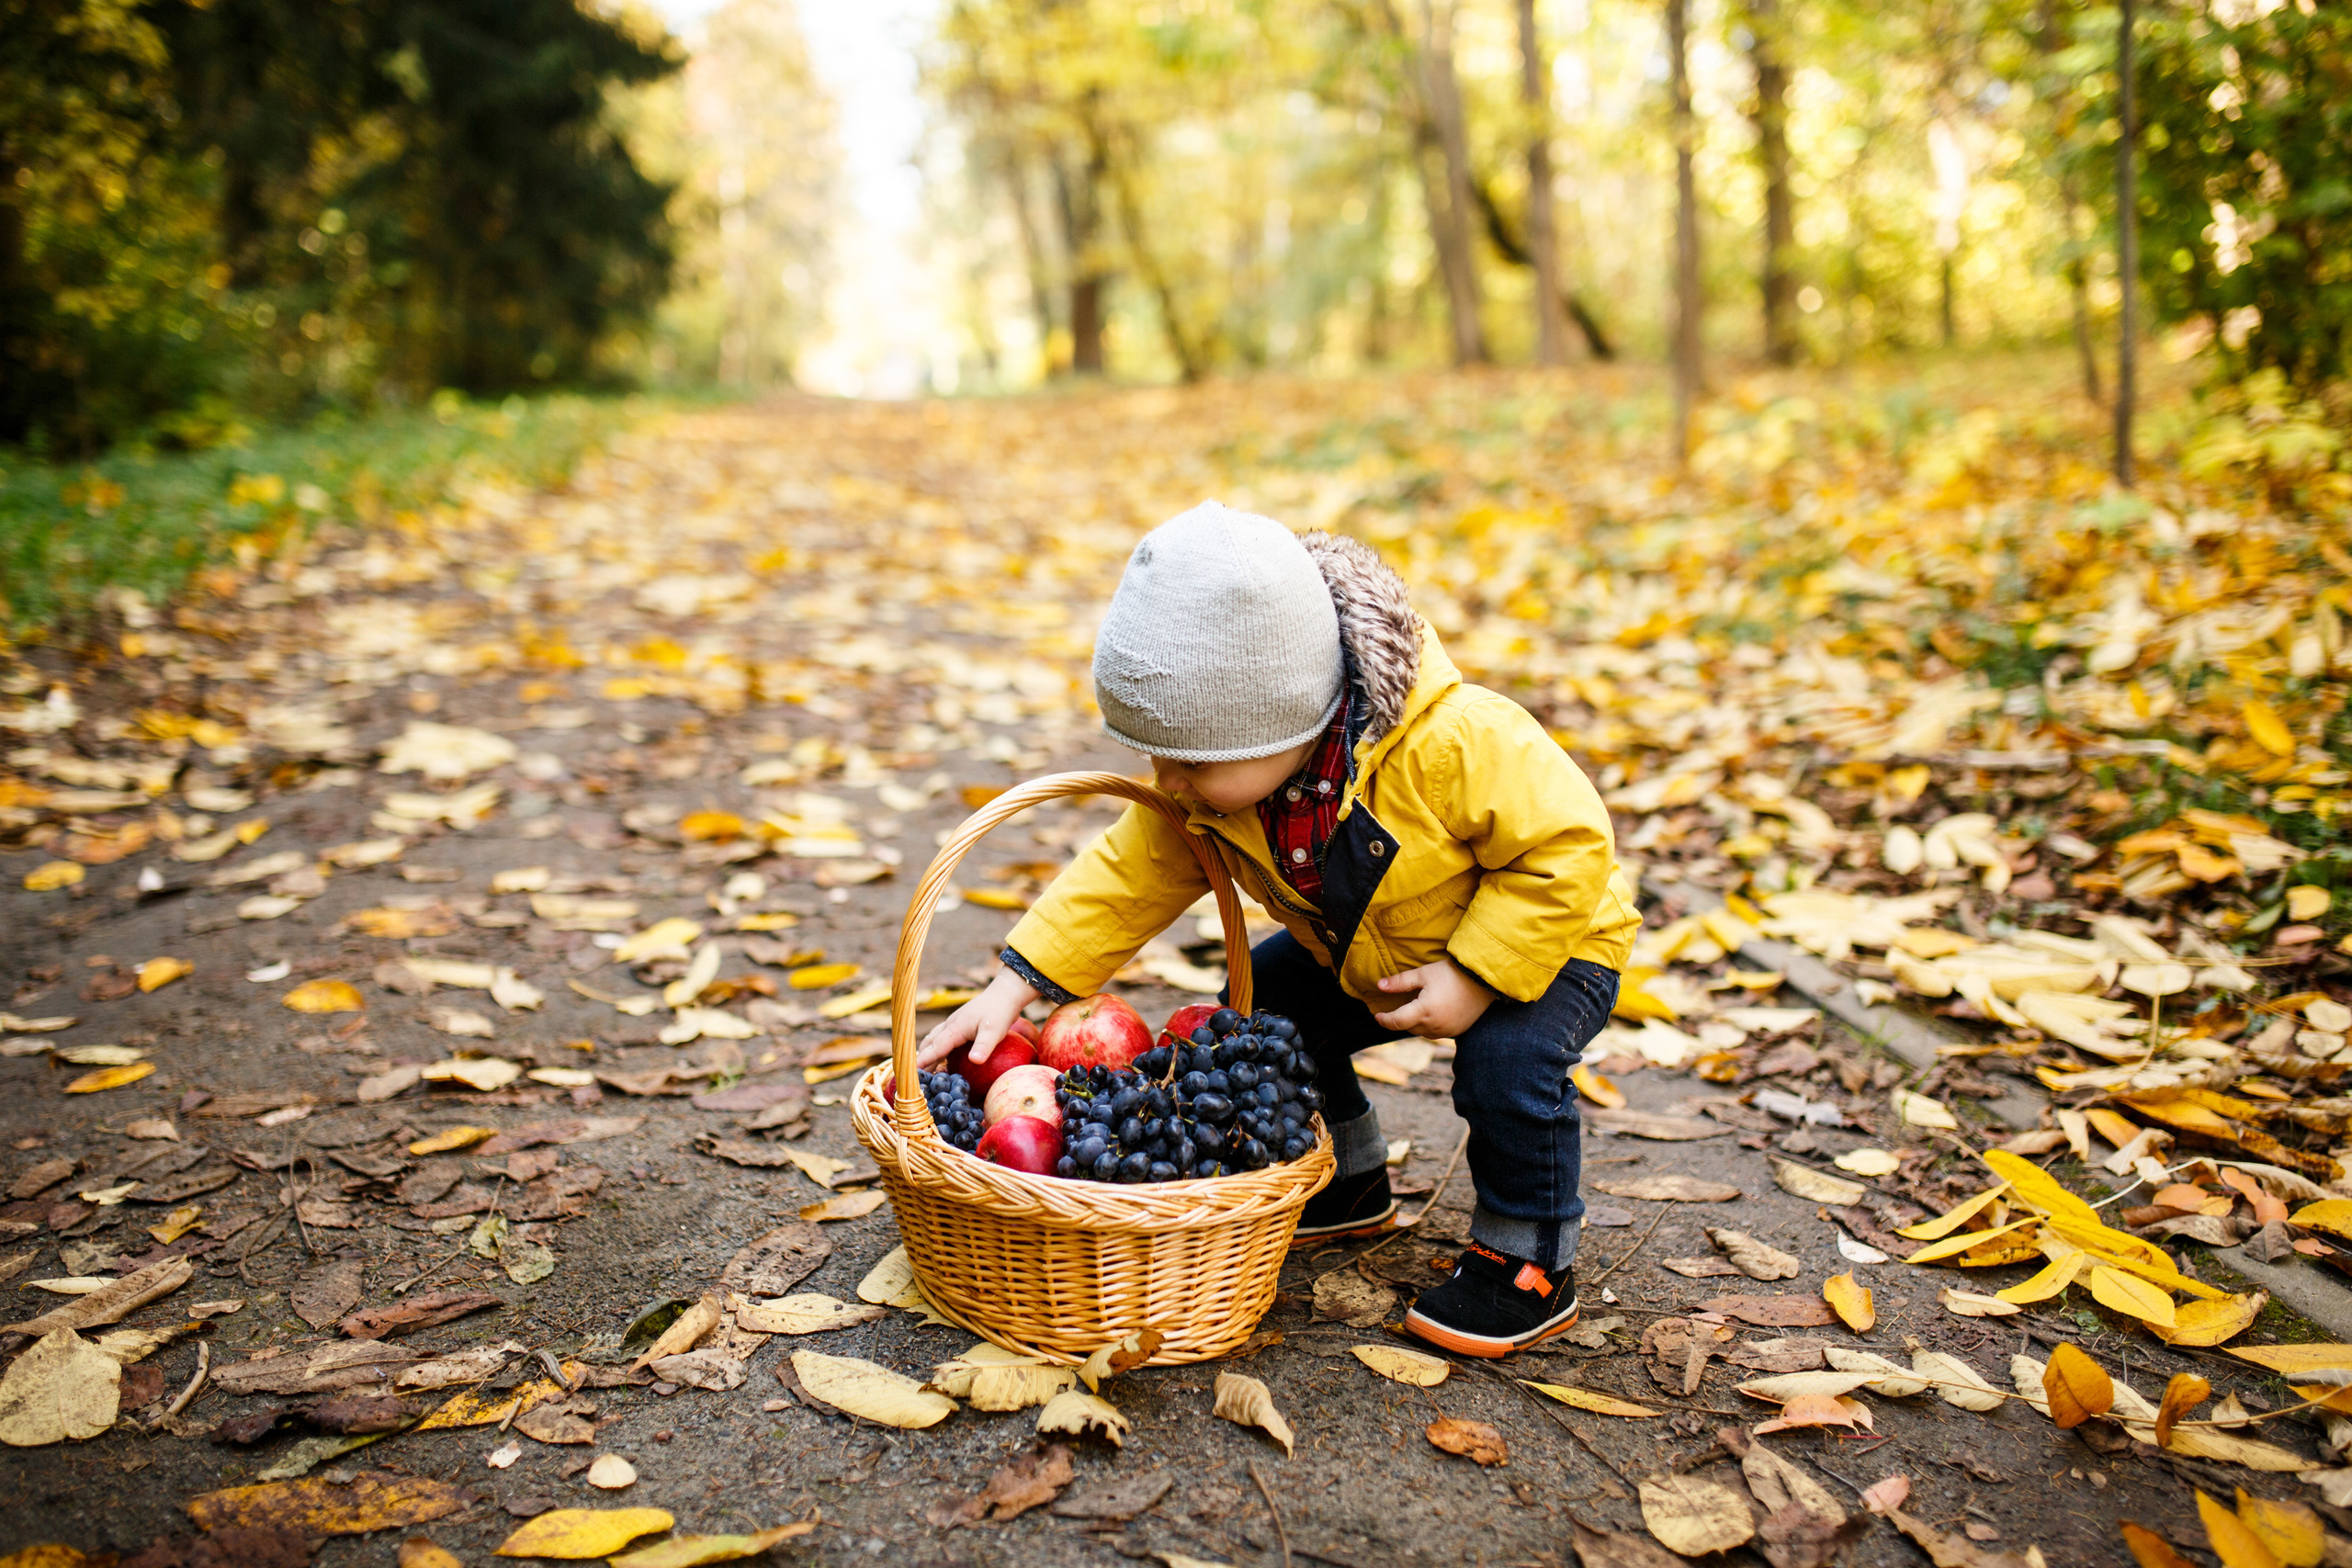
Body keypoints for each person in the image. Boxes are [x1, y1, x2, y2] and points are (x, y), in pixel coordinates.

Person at [918, 501, 1639, 1358]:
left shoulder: (1454, 743)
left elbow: (1568, 845)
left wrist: (1479, 973)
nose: (1170, 782)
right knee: (1262, 1017)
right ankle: (1352, 1176)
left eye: (1191, 761)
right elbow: (1130, 873)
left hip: (1549, 941)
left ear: (1286, 720)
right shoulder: (1220, 779)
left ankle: (1528, 1256)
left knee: (1507, 1068)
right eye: (1159, 757)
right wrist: (1020, 981)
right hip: (1375, 955)